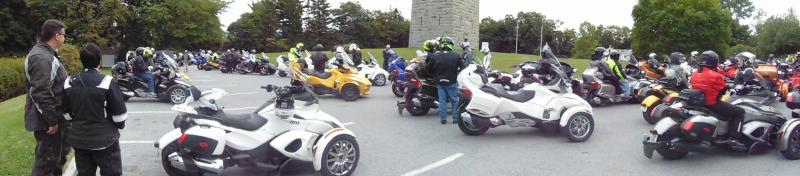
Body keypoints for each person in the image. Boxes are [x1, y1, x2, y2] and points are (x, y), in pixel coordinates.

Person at [62, 43, 127, 176]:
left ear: (82, 60)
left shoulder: (68, 82)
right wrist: (118, 126)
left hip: (79, 140)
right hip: (105, 141)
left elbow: (66, 114)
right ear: (99, 61)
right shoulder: (107, 82)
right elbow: (119, 117)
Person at [24, 19, 71, 176]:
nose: (64, 37)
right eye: (64, 34)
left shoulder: (48, 54)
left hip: (57, 117)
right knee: (46, 163)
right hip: (48, 122)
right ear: (57, 36)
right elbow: (40, 92)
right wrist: (51, 121)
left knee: (57, 159)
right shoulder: (41, 57)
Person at [690, 51, 746, 148]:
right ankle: (733, 138)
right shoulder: (715, 76)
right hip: (710, 103)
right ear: (714, 61)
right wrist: (728, 86)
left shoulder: (695, 73)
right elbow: (722, 90)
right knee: (740, 112)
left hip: (698, 102)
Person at [426, 37, 463, 124]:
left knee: (442, 101)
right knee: (454, 100)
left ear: (442, 45)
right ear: (451, 45)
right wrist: (457, 73)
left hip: (440, 82)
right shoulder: (456, 55)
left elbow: (427, 68)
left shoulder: (436, 55)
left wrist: (434, 75)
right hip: (452, 81)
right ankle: (455, 118)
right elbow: (464, 66)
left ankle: (443, 119)